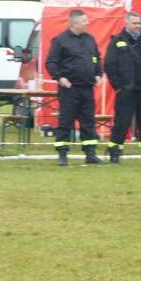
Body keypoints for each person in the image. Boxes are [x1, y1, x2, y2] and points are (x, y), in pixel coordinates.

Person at [45, 9, 103, 166]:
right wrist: (60, 78)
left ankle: (90, 154)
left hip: (87, 88)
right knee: (66, 121)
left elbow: (97, 58)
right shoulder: (60, 40)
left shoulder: (90, 39)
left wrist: (98, 74)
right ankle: (62, 154)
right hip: (69, 88)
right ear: (75, 23)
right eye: (85, 21)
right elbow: (51, 62)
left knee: (88, 122)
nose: (88, 23)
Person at [104, 11, 141, 164]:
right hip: (127, 90)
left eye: (139, 23)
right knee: (122, 123)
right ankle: (115, 153)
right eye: (134, 23)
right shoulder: (118, 41)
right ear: (126, 23)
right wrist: (118, 86)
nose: (137, 26)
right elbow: (109, 65)